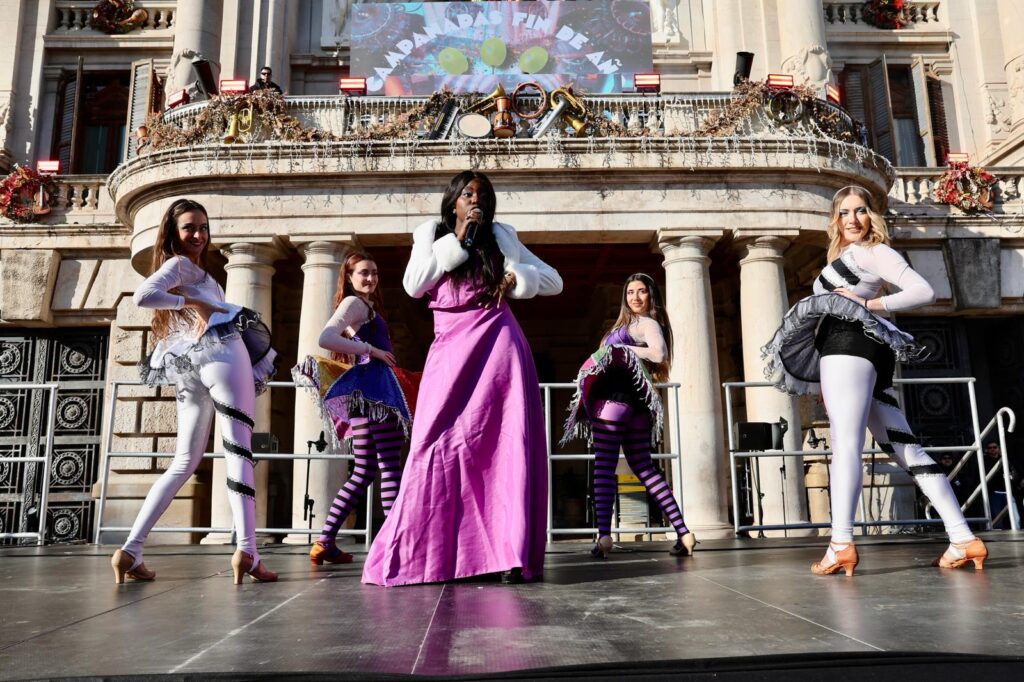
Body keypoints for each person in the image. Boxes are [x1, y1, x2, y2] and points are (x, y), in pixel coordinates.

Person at [763, 185, 987, 575]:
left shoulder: (872, 251)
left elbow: (924, 291)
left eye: (861, 210)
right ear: (835, 219)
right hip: (858, 355)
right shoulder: (847, 255)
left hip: (849, 350)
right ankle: (963, 537)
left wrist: (869, 304)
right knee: (905, 448)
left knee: (845, 445)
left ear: (872, 216)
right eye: (845, 212)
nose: (853, 219)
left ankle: (840, 544)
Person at [362, 170, 562, 586]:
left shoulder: (503, 236)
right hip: (450, 345)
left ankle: (508, 554)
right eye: (468, 193)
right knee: (433, 441)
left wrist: (515, 277)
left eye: (483, 195)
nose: (476, 200)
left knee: (505, 443)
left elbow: (554, 282)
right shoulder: (430, 234)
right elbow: (414, 285)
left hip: (498, 342)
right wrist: (458, 240)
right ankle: (428, 555)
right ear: (453, 200)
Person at [112, 198, 279, 585]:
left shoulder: (191, 269)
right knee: (238, 450)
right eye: (189, 227)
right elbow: (143, 295)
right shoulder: (181, 266)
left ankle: (131, 550)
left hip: (190, 363)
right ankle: (248, 552)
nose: (199, 235)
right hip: (221, 355)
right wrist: (195, 301)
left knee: (183, 460)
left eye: (203, 227)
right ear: (173, 232)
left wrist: (192, 302)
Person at [293, 251, 419, 565]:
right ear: (349, 278)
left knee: (363, 471)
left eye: (374, 272)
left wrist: (366, 349)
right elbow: (326, 338)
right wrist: (371, 349)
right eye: (363, 273)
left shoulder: (364, 306)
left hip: (365, 394)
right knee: (389, 467)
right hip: (376, 393)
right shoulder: (355, 304)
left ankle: (324, 542)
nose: (371, 278)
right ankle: (394, 546)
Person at [561, 274, 696, 558]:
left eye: (642, 291)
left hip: (612, 405)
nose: (635, 297)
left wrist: (619, 349)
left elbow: (659, 354)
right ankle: (684, 533)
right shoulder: (624, 326)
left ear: (651, 296)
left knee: (604, 468)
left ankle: (604, 537)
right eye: (630, 292)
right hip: (637, 409)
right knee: (646, 469)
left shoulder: (646, 324)